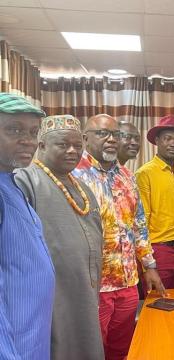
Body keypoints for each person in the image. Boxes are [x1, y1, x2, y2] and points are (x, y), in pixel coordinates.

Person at [73, 114, 165, 360]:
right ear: (85, 138)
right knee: (92, 350)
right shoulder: (73, 175)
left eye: (115, 134)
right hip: (94, 285)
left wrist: (149, 266)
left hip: (127, 282)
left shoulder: (126, 175)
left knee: (122, 348)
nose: (111, 140)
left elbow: (139, 225)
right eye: (103, 133)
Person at [15, 115, 104, 360]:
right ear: (41, 145)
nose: (73, 151)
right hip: (51, 296)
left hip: (84, 290)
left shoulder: (82, 188)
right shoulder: (25, 181)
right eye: (63, 145)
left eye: (78, 145)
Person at [0, 93, 55, 359]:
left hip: (31, 336)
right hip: (12, 345)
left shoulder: (11, 183)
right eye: (14, 129)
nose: (28, 141)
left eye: (33, 132)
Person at [136, 115, 174, 289]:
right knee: (158, 304)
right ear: (157, 141)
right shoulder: (144, 174)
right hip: (159, 250)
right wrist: (148, 262)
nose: (173, 144)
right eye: (167, 139)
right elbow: (140, 222)